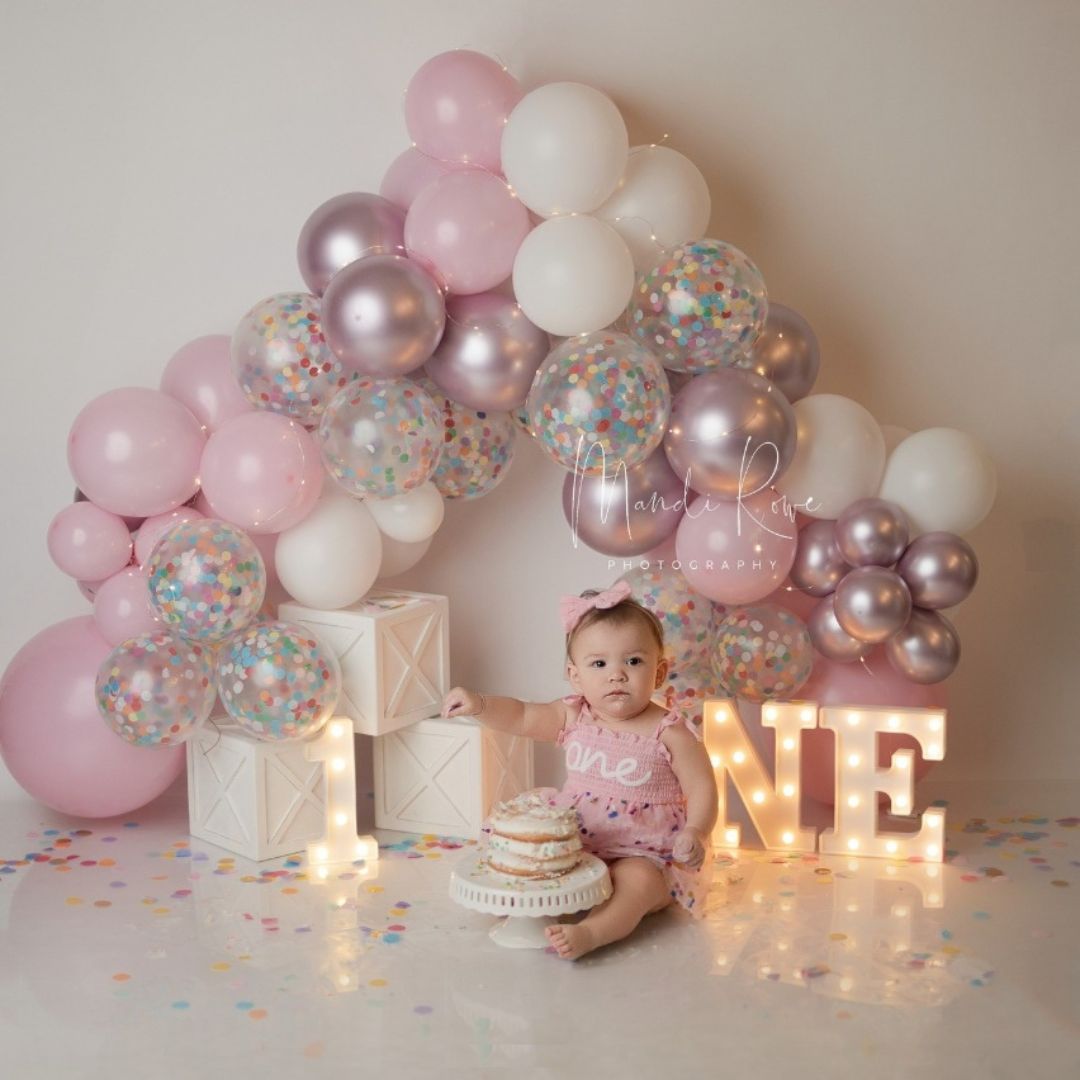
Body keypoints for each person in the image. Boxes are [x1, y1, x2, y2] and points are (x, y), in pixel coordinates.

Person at [441, 580, 719, 960]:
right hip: (576, 844)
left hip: (644, 853)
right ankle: (521, 904)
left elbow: (702, 787)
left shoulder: (670, 731)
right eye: (599, 663)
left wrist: (696, 831)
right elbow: (522, 716)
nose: (616, 674)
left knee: (636, 884)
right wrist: (480, 705)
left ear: (658, 672)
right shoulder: (574, 715)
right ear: (576, 676)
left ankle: (592, 932)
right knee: (534, 856)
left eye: (633, 661)